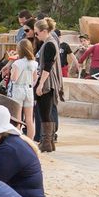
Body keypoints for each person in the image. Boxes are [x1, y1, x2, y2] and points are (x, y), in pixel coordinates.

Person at [33, 18, 63, 152]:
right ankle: (48, 142)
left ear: (44, 31)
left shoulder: (50, 44)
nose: (36, 35)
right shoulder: (49, 42)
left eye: (37, 33)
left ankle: (46, 142)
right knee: (46, 112)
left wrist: (40, 84)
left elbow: (48, 66)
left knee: (45, 112)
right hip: (49, 81)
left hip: (48, 82)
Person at [6, 39, 39, 141]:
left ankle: (17, 139)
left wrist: (11, 71)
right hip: (29, 90)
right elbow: (34, 78)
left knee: (18, 118)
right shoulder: (34, 63)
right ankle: (30, 140)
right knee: (29, 119)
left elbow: (14, 79)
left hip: (18, 89)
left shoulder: (17, 63)